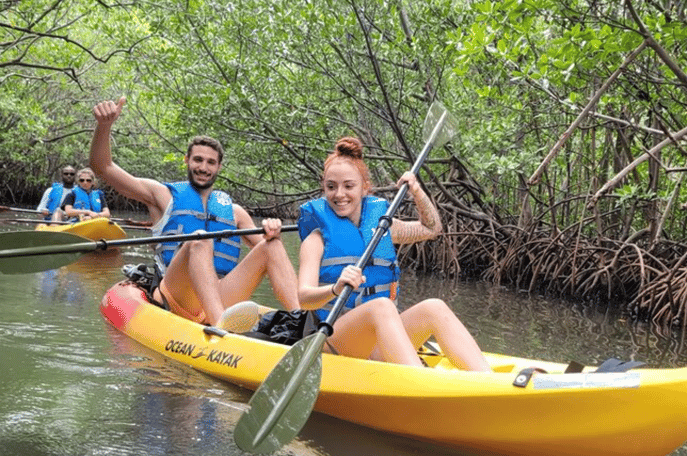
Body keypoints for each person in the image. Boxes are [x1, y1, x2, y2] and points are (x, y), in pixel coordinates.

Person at [89, 97, 300, 332]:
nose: (203, 167)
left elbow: (274, 259)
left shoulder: (236, 213)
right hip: (177, 294)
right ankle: (222, 326)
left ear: (219, 167)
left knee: (272, 244)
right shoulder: (161, 196)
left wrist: (272, 230)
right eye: (198, 159)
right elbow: (103, 167)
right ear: (187, 160)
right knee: (199, 239)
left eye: (211, 162)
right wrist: (104, 125)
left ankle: (298, 318)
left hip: (220, 293)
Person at [297, 136, 491, 371]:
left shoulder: (382, 229)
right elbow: (304, 299)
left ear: (365, 187)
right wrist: (335, 288)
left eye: (349, 186)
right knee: (382, 306)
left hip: (377, 345)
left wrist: (417, 193)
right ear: (323, 187)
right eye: (331, 186)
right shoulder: (315, 239)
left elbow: (431, 229)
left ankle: (485, 379)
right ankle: (420, 384)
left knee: (434, 307)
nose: (339, 194)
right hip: (335, 340)